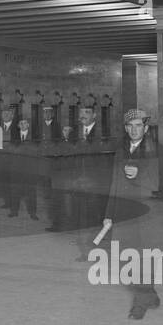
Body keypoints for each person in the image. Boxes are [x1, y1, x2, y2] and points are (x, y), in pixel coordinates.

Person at [99, 108, 163, 320]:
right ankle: (149, 294)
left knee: (145, 259)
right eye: (130, 126)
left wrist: (142, 174)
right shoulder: (120, 151)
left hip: (148, 216)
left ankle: (139, 305)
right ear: (125, 128)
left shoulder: (160, 151)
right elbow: (114, 183)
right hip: (124, 215)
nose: (134, 130)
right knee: (126, 260)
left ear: (146, 128)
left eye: (139, 125)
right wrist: (109, 214)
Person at [62, 102, 112, 258]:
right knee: (78, 215)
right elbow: (67, 157)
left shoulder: (104, 133)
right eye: (81, 112)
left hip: (95, 183)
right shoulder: (73, 134)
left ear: (95, 115)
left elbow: (106, 162)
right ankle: (82, 244)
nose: (83, 115)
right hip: (77, 183)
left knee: (95, 215)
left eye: (87, 112)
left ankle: (94, 248)